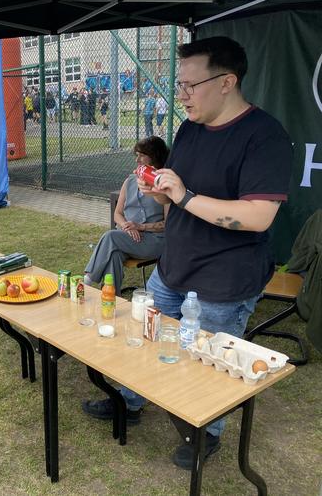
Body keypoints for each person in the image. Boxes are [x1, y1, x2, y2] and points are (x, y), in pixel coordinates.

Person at [83, 36, 293, 471]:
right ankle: (130, 401)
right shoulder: (189, 129)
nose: (181, 95)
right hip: (173, 267)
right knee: (144, 340)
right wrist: (159, 193)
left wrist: (184, 193)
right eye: (179, 85)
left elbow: (257, 216)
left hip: (224, 281)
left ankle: (205, 432)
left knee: (210, 362)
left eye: (189, 86)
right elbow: (175, 202)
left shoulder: (265, 135)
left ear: (226, 82)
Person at [83, 136, 169, 292]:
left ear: (154, 156)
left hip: (154, 241)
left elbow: (168, 225)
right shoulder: (129, 181)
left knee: (110, 237)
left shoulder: (165, 184)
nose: (137, 159)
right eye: (136, 155)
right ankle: (110, 298)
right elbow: (117, 213)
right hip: (128, 236)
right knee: (113, 255)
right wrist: (126, 226)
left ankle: (87, 281)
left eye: (142, 155)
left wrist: (140, 226)